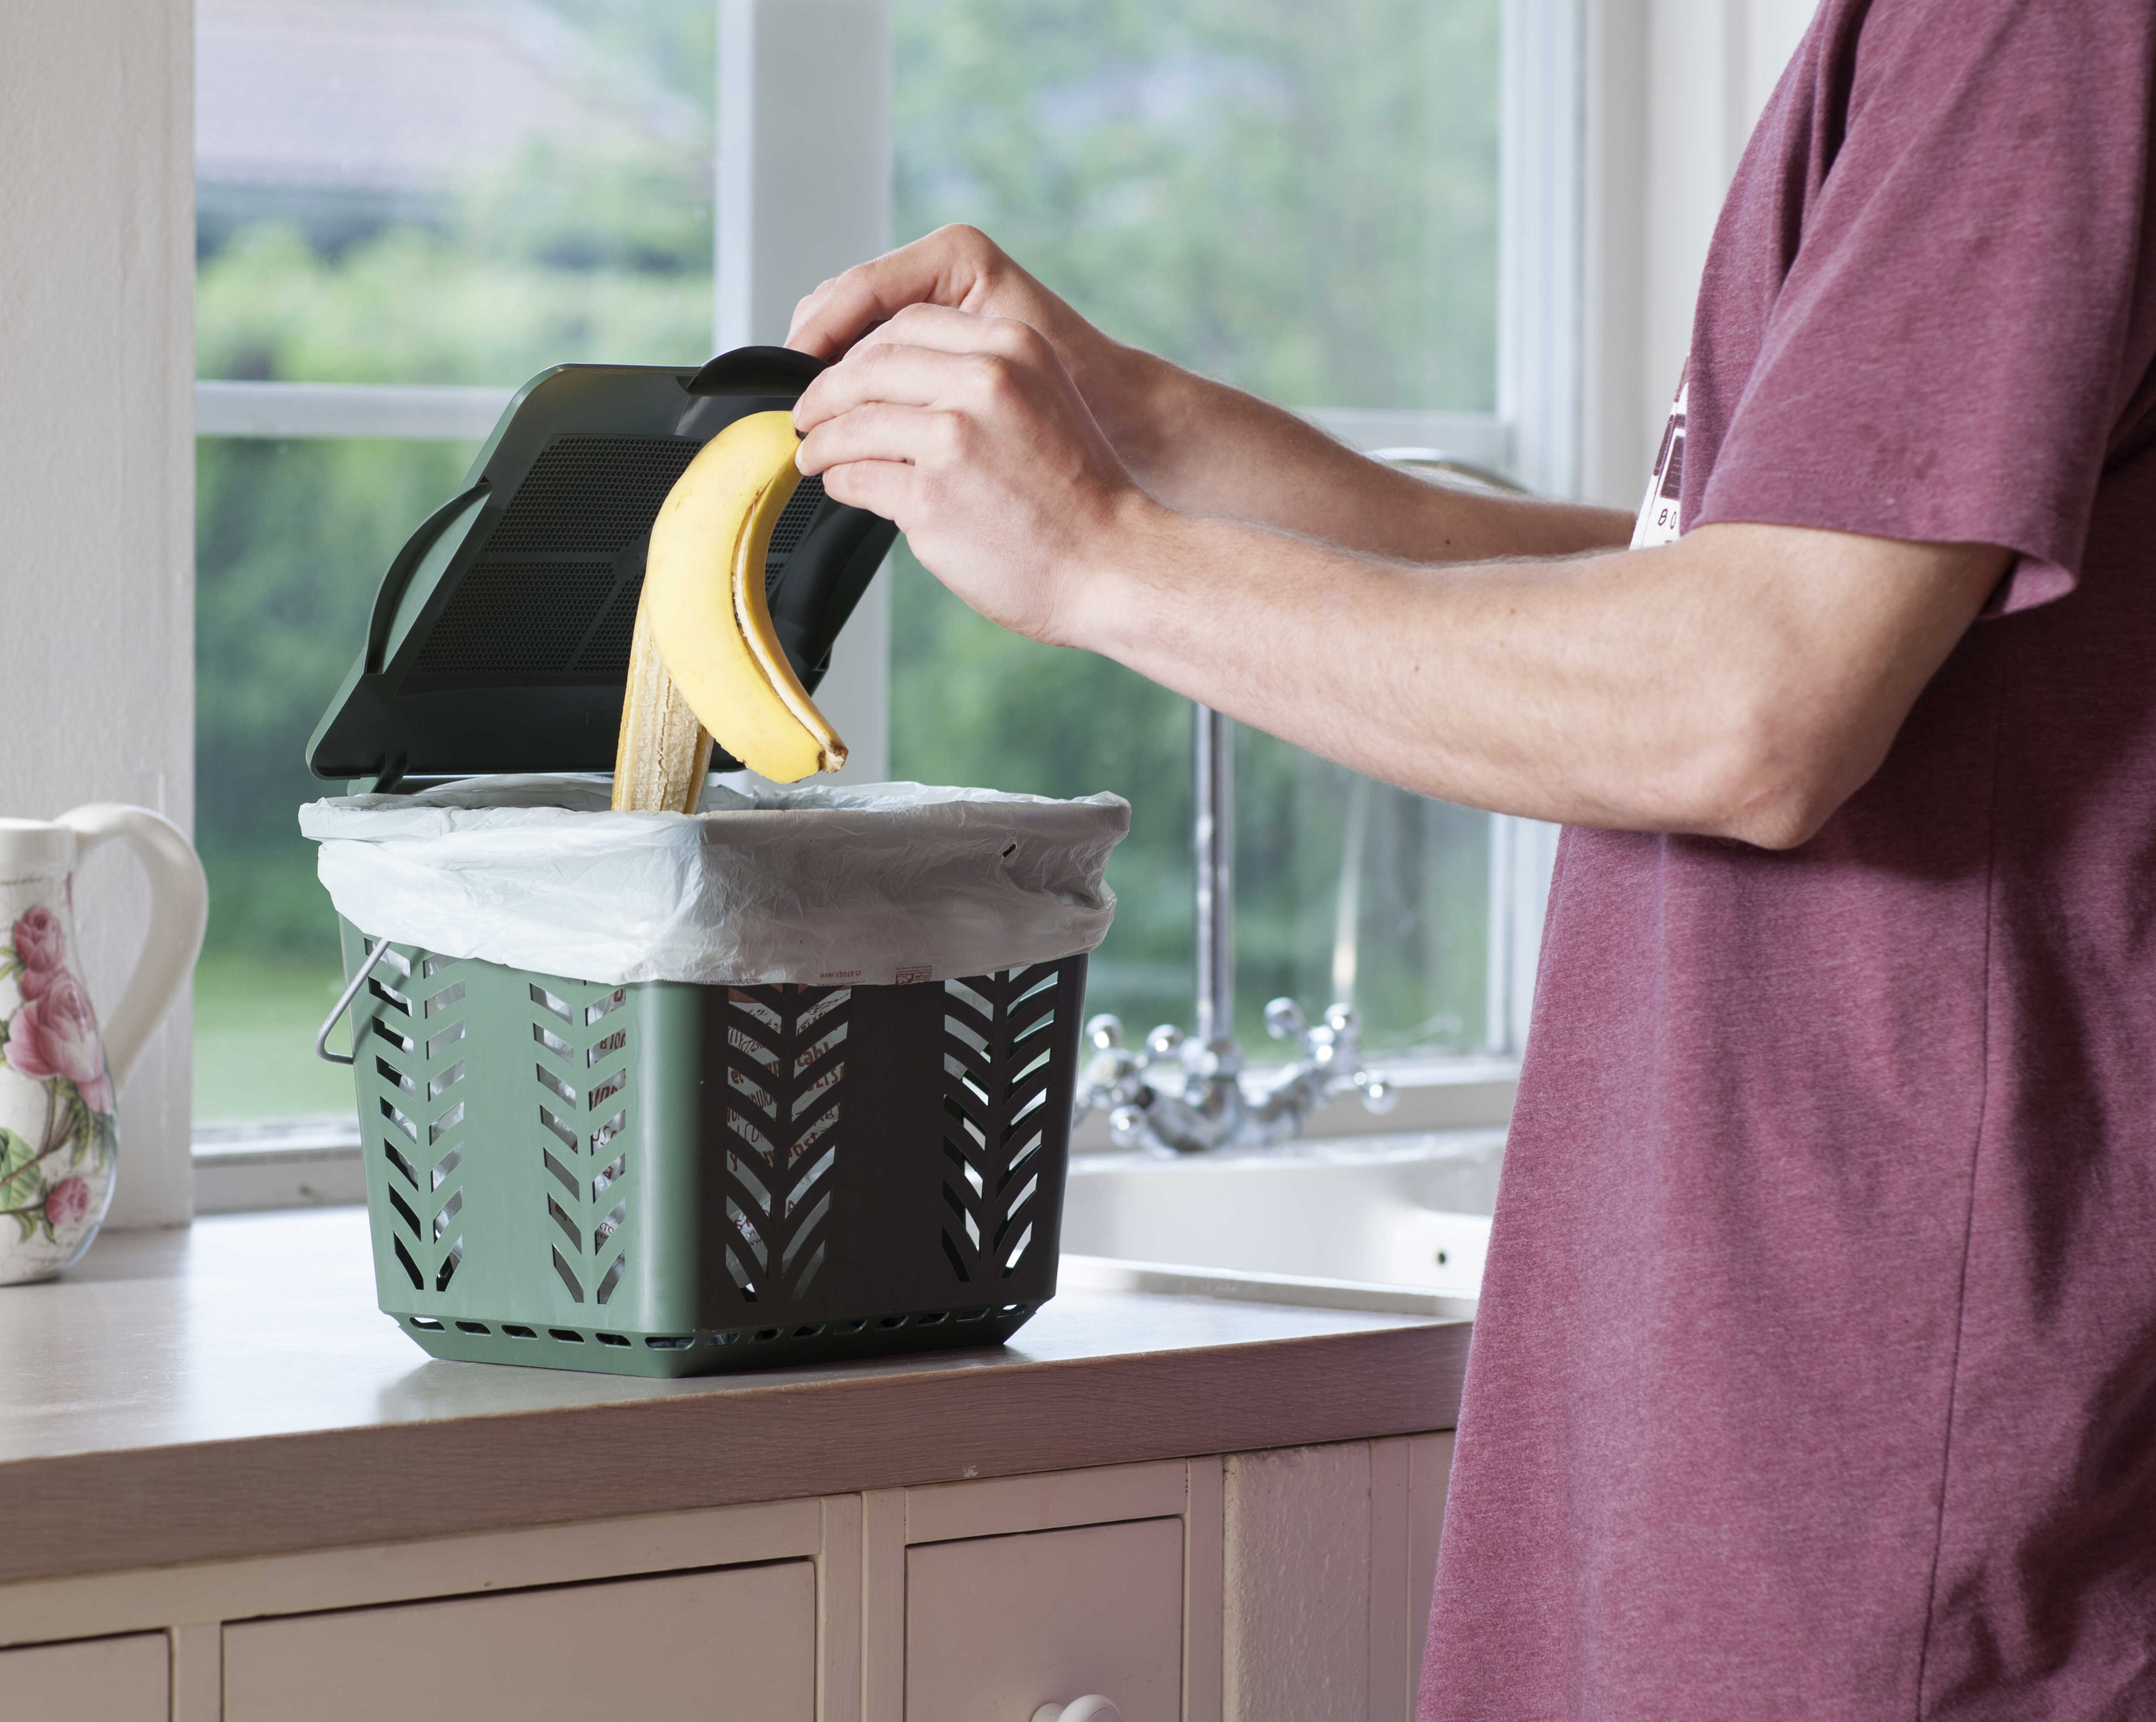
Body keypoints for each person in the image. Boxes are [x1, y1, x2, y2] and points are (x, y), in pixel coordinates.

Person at [784, 0, 2156, 1714]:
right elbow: (1705, 587)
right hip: (1809, 1422)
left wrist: (1102, 563)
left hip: (1888, 1465)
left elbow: (1747, 703)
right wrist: (1127, 420)